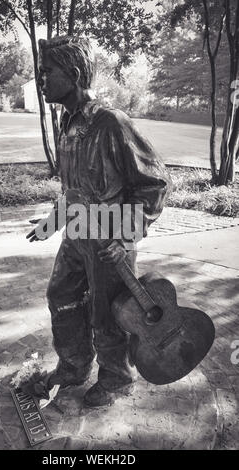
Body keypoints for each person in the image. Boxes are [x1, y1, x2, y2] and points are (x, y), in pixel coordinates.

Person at [27, 36, 171, 407]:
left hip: (110, 241)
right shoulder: (67, 122)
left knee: (107, 312)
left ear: (73, 75)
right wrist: (52, 221)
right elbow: (75, 187)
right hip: (77, 232)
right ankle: (73, 366)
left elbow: (154, 183)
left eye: (47, 72)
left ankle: (116, 378)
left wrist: (125, 237)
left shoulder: (110, 122)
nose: (41, 79)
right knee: (60, 295)